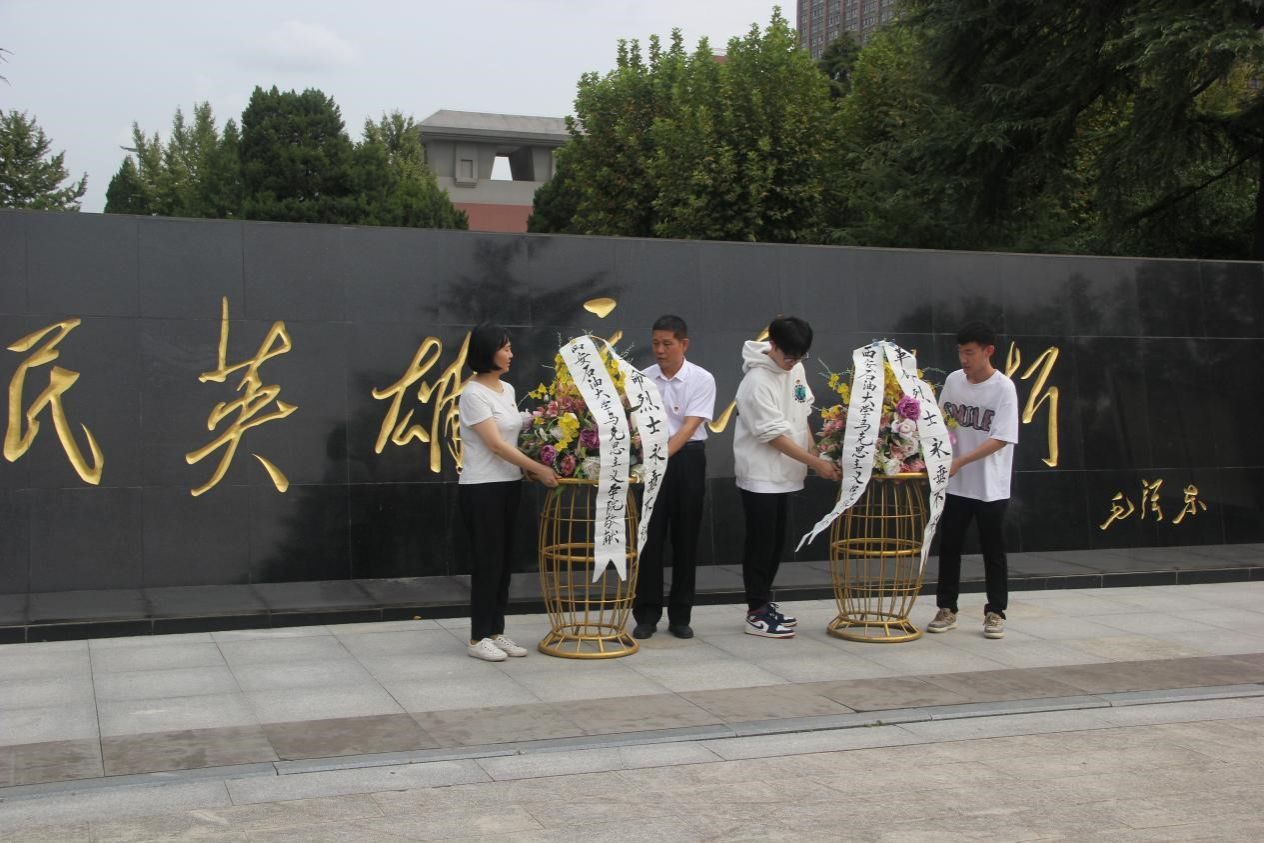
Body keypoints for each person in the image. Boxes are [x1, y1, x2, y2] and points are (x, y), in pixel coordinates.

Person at [733, 316, 841, 638]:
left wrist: (818, 453)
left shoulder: (796, 369)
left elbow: (801, 412)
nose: (793, 362)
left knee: (777, 542)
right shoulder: (755, 382)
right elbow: (773, 436)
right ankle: (755, 611)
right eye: (788, 355)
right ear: (773, 345)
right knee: (761, 543)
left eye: (800, 356)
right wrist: (815, 463)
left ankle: (765, 602)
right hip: (760, 475)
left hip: (787, 473)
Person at [457, 324, 559, 661]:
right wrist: (539, 468)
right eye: (505, 348)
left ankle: (495, 631)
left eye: (510, 348)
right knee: (487, 562)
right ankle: (477, 638)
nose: (511, 354)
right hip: (482, 488)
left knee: (503, 564)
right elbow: (496, 445)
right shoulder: (473, 394)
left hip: (509, 485)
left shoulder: (507, 389)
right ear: (488, 352)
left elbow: (514, 433)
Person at [927, 321, 1019, 640]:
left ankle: (996, 612)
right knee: (949, 546)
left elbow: (1001, 438)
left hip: (990, 486)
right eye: (960, 352)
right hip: (956, 484)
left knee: (993, 550)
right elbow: (940, 422)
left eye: (970, 352)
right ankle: (946, 608)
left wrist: (961, 461)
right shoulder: (954, 381)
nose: (964, 359)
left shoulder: (1004, 388)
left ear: (988, 351)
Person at [632, 315, 717, 641]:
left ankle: (681, 615)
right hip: (650, 461)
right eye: (655, 343)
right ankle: (647, 614)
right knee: (649, 538)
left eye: (667, 344)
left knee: (685, 538)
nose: (660, 350)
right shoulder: (643, 378)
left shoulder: (702, 378)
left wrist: (660, 458)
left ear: (684, 344)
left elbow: (689, 427)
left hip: (686, 460)